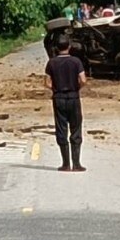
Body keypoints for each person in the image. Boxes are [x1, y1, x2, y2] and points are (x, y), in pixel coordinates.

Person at [43, 33, 87, 172]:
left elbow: (47, 82)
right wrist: (76, 88)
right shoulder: (76, 61)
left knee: (61, 128)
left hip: (59, 98)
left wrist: (56, 89)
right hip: (74, 97)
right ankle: (77, 164)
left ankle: (65, 164)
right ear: (69, 46)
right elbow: (83, 80)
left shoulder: (51, 63)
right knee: (76, 128)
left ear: (56, 48)